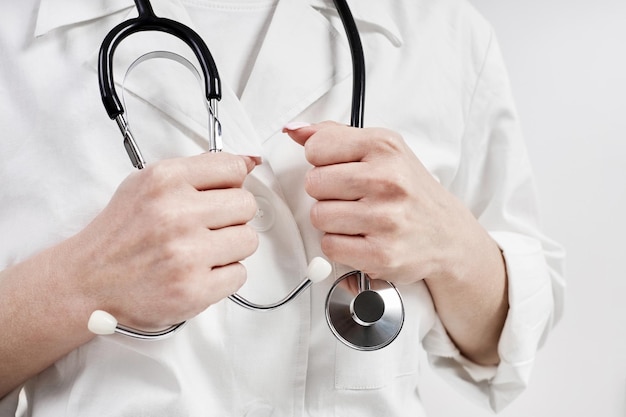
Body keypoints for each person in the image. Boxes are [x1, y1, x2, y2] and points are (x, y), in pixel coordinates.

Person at [0, 0, 565, 415]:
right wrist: (77, 286)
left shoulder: (441, 31)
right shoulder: (14, 35)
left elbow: (505, 342)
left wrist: (453, 249)